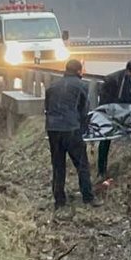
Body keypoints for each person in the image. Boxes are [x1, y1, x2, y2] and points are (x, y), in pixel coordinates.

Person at [45, 58, 103, 209]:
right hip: (71, 128)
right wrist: (84, 131)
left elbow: (47, 108)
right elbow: (84, 111)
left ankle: (59, 200)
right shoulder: (81, 86)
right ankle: (88, 197)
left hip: (53, 129)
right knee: (82, 164)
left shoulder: (53, 86)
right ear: (78, 71)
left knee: (58, 165)